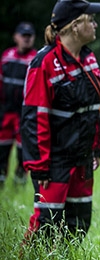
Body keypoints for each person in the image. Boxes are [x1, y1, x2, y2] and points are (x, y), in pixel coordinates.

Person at [21, 0, 100, 247]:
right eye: (90, 20)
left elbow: (94, 109)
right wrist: (40, 166)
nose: (95, 24)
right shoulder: (44, 63)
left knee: (78, 225)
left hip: (83, 159)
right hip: (54, 163)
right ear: (74, 26)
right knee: (46, 226)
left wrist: (97, 146)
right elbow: (34, 118)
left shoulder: (90, 59)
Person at [0, 22, 37, 186]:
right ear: (16, 37)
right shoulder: (7, 56)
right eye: (23, 36)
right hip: (5, 111)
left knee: (23, 151)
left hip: (25, 113)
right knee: (2, 149)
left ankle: (19, 182)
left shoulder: (36, 58)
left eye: (29, 37)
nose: (26, 40)